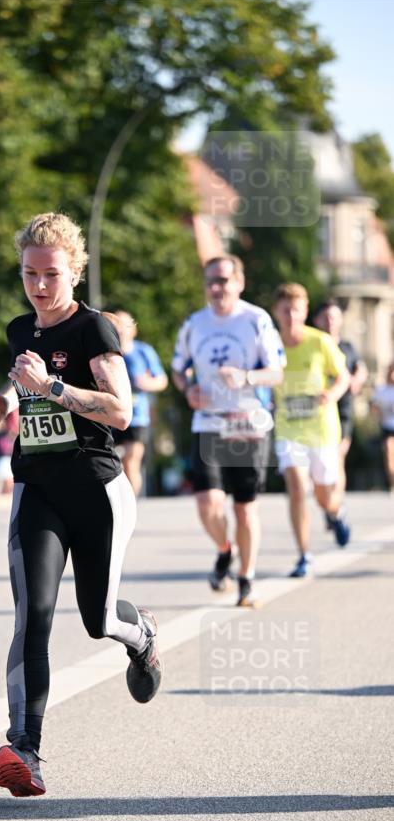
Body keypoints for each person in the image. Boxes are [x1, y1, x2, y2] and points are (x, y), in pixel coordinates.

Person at [0, 212, 161, 798]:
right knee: (32, 614)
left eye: (51, 275)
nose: (38, 286)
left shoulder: (96, 332)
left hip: (97, 488)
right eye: (30, 274)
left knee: (97, 620)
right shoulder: (19, 330)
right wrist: (6, 402)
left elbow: (121, 411)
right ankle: (23, 750)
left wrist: (53, 388)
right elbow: (25, 379)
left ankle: (142, 638)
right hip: (36, 486)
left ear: (74, 273)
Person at [171, 255, 285, 608]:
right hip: (209, 422)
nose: (217, 288)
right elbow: (178, 369)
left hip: (248, 422)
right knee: (207, 504)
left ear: (239, 282)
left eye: (223, 280)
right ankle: (225, 549)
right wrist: (188, 389)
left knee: (245, 509)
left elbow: (277, 372)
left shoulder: (256, 320)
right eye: (211, 282)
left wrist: (246, 377)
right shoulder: (194, 324)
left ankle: (246, 578)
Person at [271, 284, 351, 578]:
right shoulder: (272, 344)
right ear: (276, 312)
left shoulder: (320, 342)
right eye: (285, 311)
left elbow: (343, 376)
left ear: (305, 312)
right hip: (289, 429)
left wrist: (331, 394)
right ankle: (305, 555)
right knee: (295, 488)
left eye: (296, 310)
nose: (291, 316)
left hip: (322, 429)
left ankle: (335, 512)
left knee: (323, 495)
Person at [313, 299, 367, 508]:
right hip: (317, 409)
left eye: (333, 317)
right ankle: (329, 503)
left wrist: (356, 380)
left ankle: (336, 503)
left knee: (337, 456)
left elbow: (360, 369)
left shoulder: (347, 347)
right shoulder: (313, 345)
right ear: (317, 320)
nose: (330, 322)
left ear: (341, 320)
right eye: (325, 318)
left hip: (342, 408)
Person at [107, 310, 168, 495]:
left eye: (125, 325)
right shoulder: (105, 352)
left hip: (137, 417)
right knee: (109, 463)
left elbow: (162, 380)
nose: (121, 330)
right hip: (109, 415)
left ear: (133, 329)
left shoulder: (143, 351)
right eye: (116, 325)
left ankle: (131, 505)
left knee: (131, 463)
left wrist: (146, 383)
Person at [372, 361, 394, 492]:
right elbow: (374, 407)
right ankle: (392, 483)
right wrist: (382, 411)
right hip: (388, 426)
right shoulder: (382, 390)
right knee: (390, 454)